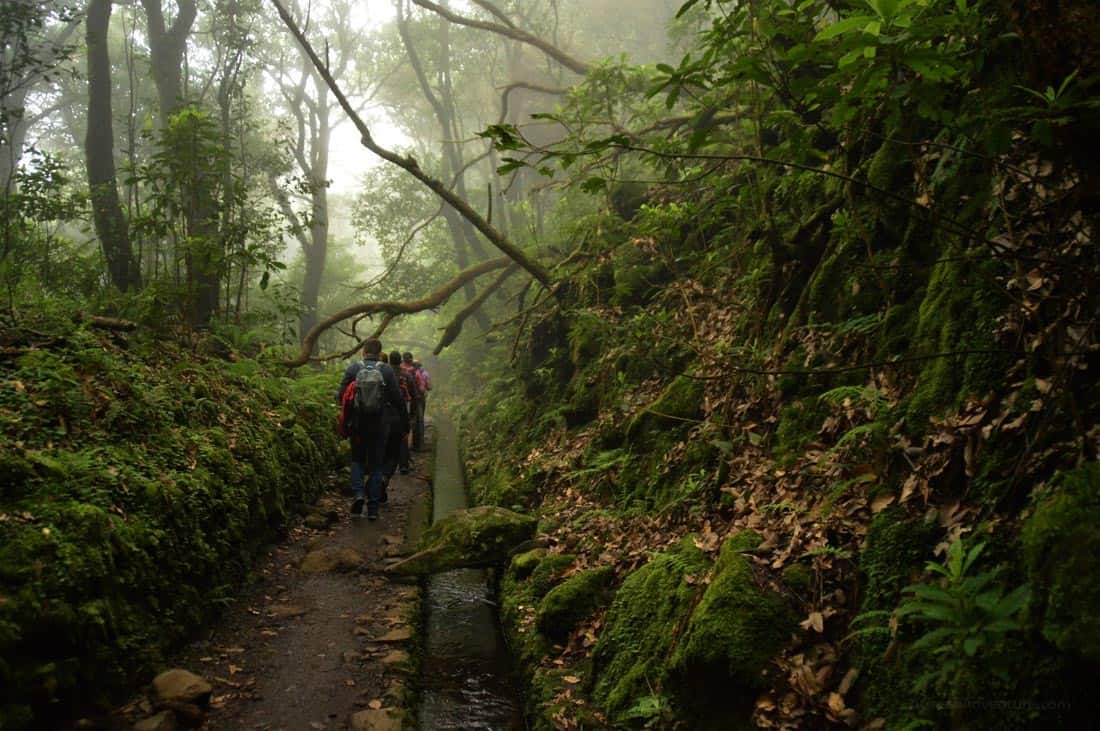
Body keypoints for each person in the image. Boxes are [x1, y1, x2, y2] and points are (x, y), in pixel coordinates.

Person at [336, 338, 404, 519]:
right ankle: (373, 509)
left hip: (357, 425)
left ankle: (358, 495)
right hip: (380, 425)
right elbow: (398, 399)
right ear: (380, 352)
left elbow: (340, 395)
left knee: (357, 459)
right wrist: (403, 421)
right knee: (376, 465)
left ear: (364, 352)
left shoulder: (353, 368)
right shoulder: (386, 370)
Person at [384, 349, 410, 488]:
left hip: (385, 411)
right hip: (401, 408)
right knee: (402, 437)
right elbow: (412, 392)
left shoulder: (385, 373)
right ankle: (403, 465)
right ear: (400, 360)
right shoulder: (406, 374)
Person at [400, 352, 427, 451]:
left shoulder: (398, 370)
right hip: (414, 400)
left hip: (401, 401)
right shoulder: (415, 371)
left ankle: (402, 447)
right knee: (417, 422)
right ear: (411, 361)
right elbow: (422, 387)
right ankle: (417, 445)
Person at [413, 359, 431, 450]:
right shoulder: (424, 373)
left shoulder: (406, 372)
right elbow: (429, 387)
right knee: (420, 420)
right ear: (420, 365)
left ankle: (411, 443)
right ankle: (420, 444)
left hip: (410, 400)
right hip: (420, 399)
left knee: (412, 420)